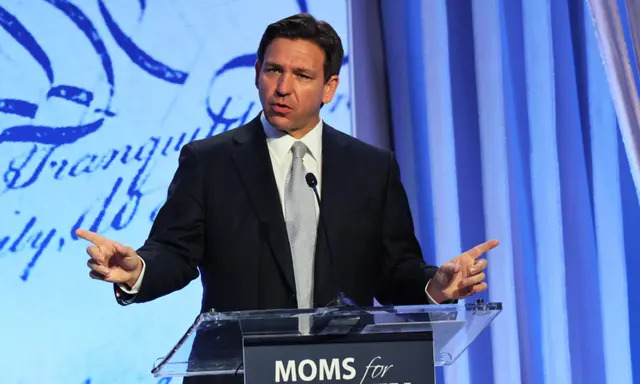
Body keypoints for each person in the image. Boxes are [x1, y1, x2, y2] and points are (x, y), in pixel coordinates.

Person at [78, 12, 497, 381]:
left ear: (329, 87)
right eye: (273, 70)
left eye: (302, 75)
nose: (283, 87)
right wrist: (138, 270)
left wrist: (435, 286)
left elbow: (393, 270)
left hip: (342, 371)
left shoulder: (371, 168)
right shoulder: (211, 161)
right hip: (236, 373)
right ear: (257, 72)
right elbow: (175, 251)